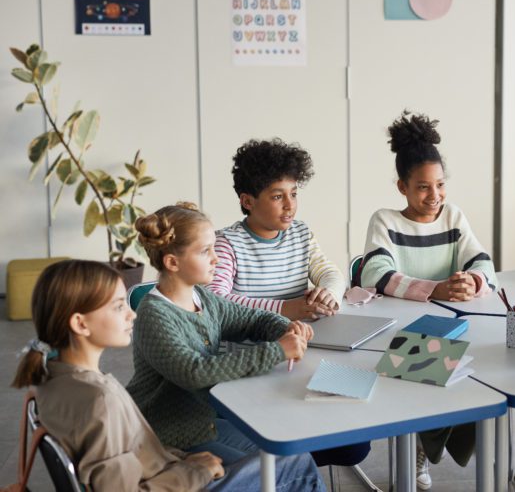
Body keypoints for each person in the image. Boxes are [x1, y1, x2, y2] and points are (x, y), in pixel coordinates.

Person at [12, 259, 324, 491]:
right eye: (118, 307)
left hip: (168, 468)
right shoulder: (100, 399)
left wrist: (186, 462)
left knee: (274, 452)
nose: (131, 314)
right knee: (295, 463)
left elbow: (134, 452)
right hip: (179, 482)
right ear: (80, 323)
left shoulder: (53, 378)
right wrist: (194, 473)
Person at [129, 202, 367, 470]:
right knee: (283, 469)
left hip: (204, 421)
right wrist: (278, 350)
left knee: (297, 460)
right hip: (167, 436)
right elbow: (195, 372)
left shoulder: (202, 297)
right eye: (205, 251)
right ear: (172, 262)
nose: (215, 259)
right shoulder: (154, 314)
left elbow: (252, 319)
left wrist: (286, 328)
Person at [360, 110, 498, 489]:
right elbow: (374, 275)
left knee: (487, 370)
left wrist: (472, 281)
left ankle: (426, 445)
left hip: (451, 328)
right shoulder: (385, 221)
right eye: (422, 187)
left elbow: (484, 263)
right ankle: (422, 446)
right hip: (400, 335)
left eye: (439, 185)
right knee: (443, 369)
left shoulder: (452, 217)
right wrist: (434, 289)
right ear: (402, 187)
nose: (434, 195)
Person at [209, 138, 343, 321]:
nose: (290, 205)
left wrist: (329, 293)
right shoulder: (226, 243)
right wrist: (284, 308)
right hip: (253, 338)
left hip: (302, 334)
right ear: (247, 201)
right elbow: (215, 299)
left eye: (293, 194)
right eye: (278, 197)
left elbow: (330, 273)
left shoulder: (301, 234)